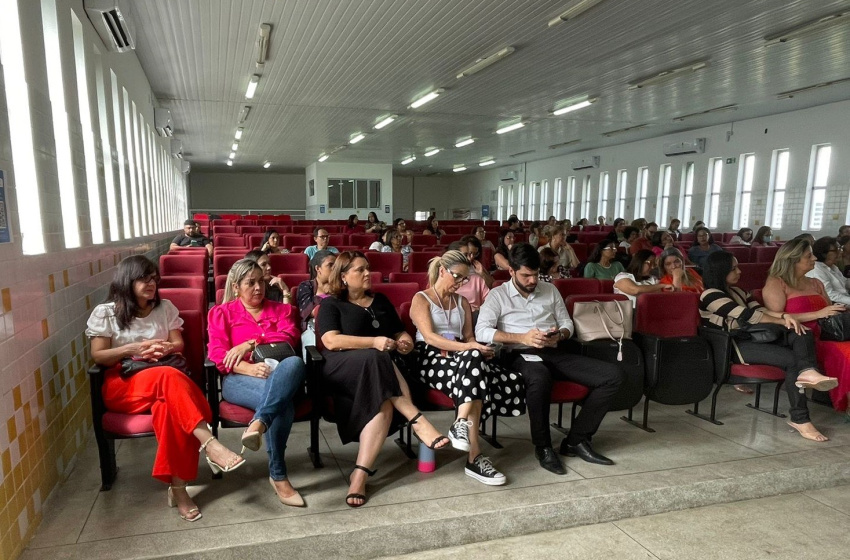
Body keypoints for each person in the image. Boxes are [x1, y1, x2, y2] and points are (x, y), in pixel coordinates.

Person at [87, 256, 244, 522]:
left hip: (164, 379)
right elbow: (98, 356)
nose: (152, 284)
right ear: (128, 279)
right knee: (169, 378)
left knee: (170, 410)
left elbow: (178, 344)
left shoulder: (165, 307)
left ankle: (179, 490)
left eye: (154, 279)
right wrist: (133, 349)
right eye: (144, 278)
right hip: (125, 382)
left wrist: (164, 348)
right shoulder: (106, 312)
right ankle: (210, 443)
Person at [317, 251, 450, 507]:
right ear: (343, 277)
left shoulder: (380, 301)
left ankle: (359, 475)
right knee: (376, 356)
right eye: (360, 270)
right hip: (341, 367)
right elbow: (331, 341)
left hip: (382, 371)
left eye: (368, 268)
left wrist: (406, 342)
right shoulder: (331, 304)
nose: (368, 273)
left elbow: (399, 332)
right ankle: (417, 419)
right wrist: (374, 342)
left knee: (384, 400)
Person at [476, 244, 623, 474]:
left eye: (535, 274)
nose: (532, 280)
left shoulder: (550, 290)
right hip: (519, 353)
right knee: (539, 377)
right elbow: (482, 332)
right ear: (512, 272)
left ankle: (576, 440)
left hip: (552, 350)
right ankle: (543, 446)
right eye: (526, 275)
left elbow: (568, 325)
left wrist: (559, 335)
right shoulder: (498, 295)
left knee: (612, 376)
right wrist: (521, 337)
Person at [410, 251, 525, 485]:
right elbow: (430, 338)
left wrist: (481, 348)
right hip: (430, 358)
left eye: (465, 280)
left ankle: (461, 424)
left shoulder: (462, 302)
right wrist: (470, 348)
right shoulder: (421, 299)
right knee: (476, 368)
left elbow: (469, 336)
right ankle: (475, 458)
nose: (461, 283)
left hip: (462, 359)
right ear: (442, 271)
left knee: (478, 365)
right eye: (457, 277)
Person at [701, 252, 839, 442]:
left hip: (755, 338)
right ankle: (801, 418)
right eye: (733, 268)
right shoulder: (709, 295)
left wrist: (784, 316)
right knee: (792, 360)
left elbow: (760, 310)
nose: (739, 271)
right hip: (734, 345)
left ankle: (809, 371)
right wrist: (782, 321)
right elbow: (748, 316)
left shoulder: (740, 291)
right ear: (720, 271)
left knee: (802, 332)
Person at [207, 259, 308, 506]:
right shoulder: (221, 313)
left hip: (280, 373)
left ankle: (259, 422)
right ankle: (279, 475)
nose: (257, 288)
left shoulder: (282, 310)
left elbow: (289, 337)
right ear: (236, 285)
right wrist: (249, 368)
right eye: (250, 283)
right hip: (239, 380)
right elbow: (218, 355)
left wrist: (250, 343)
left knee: (295, 364)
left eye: (260, 281)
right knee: (281, 402)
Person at [762, 239, 850, 414]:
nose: (815, 258)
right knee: (846, 354)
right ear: (793, 260)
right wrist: (817, 314)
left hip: (826, 332)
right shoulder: (777, 283)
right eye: (809, 255)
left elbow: (827, 311)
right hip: (801, 337)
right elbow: (776, 318)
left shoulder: (815, 283)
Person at [296, 250, 337, 356]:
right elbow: (307, 312)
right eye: (330, 265)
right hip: (313, 328)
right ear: (318, 268)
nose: (334, 269)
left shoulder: (340, 288)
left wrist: (335, 291)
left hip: (337, 326)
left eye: (336, 265)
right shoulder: (306, 286)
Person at [807, 237, 850, 305]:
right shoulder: (817, 270)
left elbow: (845, 282)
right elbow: (830, 295)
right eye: (836, 249)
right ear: (824, 253)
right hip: (835, 306)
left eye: (840, 248)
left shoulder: (833, 267)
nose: (841, 251)